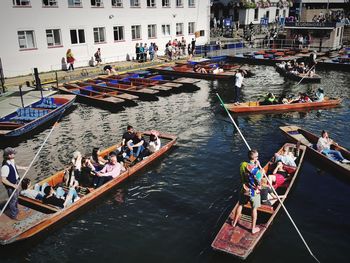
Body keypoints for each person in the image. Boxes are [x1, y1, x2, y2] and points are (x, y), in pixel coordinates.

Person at [232, 150, 262, 234]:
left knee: (240, 205)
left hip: (244, 189)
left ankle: (234, 223)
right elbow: (259, 180)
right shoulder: (256, 170)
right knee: (254, 209)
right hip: (253, 192)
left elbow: (249, 170)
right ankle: (253, 229)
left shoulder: (242, 165)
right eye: (257, 156)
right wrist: (259, 167)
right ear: (255, 158)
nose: (258, 158)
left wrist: (255, 165)